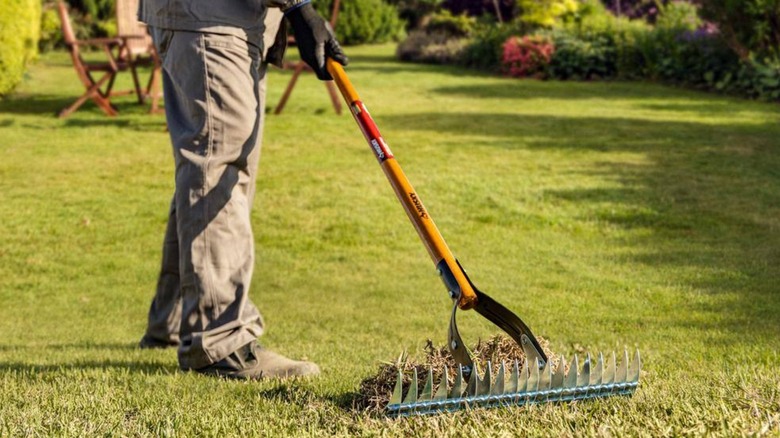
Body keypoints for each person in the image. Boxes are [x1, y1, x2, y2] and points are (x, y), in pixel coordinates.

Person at [136, 0, 348, 380]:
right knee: (218, 168)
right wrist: (298, 6)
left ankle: (171, 322)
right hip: (212, 16)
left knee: (209, 165)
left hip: (222, 18)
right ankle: (220, 342)